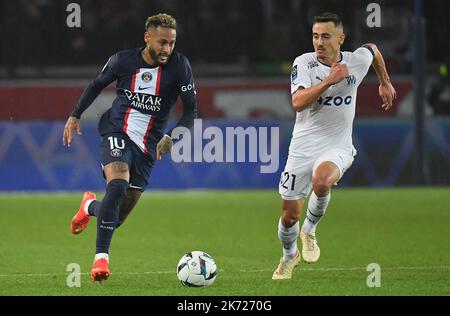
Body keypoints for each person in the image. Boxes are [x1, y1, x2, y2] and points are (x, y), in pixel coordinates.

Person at [62, 13, 198, 283]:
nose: (166, 49)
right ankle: (101, 259)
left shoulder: (180, 66)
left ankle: (89, 206)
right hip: (116, 131)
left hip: (148, 147)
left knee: (115, 217)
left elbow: (191, 112)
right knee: (117, 184)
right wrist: (75, 114)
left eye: (171, 43)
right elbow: (96, 84)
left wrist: (172, 137)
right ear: (147, 38)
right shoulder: (122, 61)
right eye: (162, 42)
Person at [272, 12, 396, 280]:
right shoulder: (303, 63)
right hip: (303, 148)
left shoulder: (354, 61)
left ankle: (310, 231)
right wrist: (329, 80)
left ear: (341, 39)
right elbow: (297, 103)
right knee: (288, 216)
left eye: (326, 36)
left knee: (322, 180)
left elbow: (372, 50)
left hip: (337, 146)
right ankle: (289, 255)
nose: (319, 42)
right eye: (315, 36)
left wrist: (385, 81)